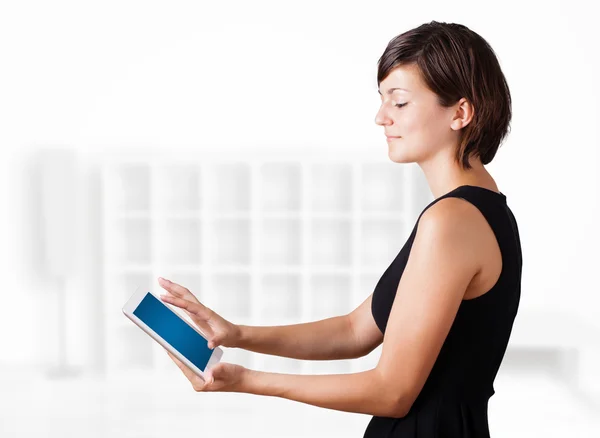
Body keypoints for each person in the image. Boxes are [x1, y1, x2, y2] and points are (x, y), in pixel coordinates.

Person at [158, 20, 521, 438]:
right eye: (382, 100)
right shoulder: (481, 212)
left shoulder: (452, 221)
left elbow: (392, 391)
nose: (381, 117)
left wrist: (246, 380)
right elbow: (356, 330)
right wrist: (236, 334)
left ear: (460, 112)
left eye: (399, 102)